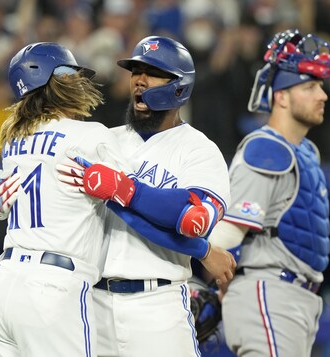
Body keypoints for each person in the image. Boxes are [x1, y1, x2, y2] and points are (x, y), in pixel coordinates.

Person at [56, 35, 237, 356]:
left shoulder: (199, 150)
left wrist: (124, 191)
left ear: (180, 86)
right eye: (135, 71)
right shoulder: (100, 140)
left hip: (158, 305)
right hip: (92, 302)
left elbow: (193, 220)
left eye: (152, 71)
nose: (139, 80)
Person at [207, 29, 330, 356]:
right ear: (281, 96)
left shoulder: (306, 151)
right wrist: (209, 279)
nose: (323, 95)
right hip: (269, 291)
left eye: (322, 86)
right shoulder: (266, 149)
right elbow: (228, 233)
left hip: (293, 297)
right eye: (310, 86)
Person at [0, 42, 130, 357]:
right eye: (72, 74)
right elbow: (131, 202)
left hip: (2, 283)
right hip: (54, 286)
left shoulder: (12, 136)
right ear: (55, 80)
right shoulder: (91, 135)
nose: (79, 81)